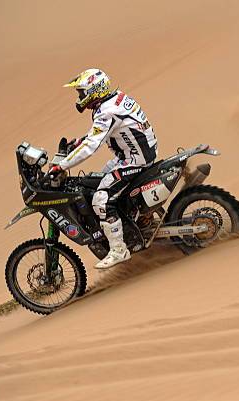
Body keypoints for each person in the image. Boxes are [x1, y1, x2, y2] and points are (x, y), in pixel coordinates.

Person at [48, 68, 158, 269]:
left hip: (135, 160)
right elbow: (99, 134)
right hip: (131, 156)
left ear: (94, 90)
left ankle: (119, 250)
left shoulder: (107, 111)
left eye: (82, 92)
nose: (80, 97)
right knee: (96, 181)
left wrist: (61, 165)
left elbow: (92, 145)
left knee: (101, 199)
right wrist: (78, 142)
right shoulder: (114, 100)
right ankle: (135, 220)